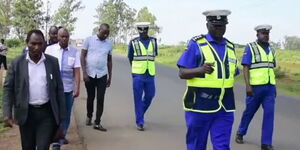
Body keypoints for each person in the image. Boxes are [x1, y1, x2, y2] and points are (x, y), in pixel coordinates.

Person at [177, 10, 238, 150]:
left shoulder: (230, 47)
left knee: (222, 146)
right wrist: (200, 70)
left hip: (225, 106)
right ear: (207, 25)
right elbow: (182, 72)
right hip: (199, 106)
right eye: (215, 25)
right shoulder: (196, 44)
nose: (219, 29)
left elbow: (232, 73)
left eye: (222, 26)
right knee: (197, 145)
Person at [2, 29, 66, 150]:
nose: (36, 47)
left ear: (44, 44)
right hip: (26, 114)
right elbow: (8, 89)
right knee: (28, 147)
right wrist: (7, 113)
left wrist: (62, 117)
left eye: (40, 44)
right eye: (33, 44)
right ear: (27, 43)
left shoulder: (52, 62)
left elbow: (59, 90)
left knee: (43, 147)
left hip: (46, 114)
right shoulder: (17, 63)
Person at [235, 25, 276, 150]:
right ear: (257, 34)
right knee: (249, 112)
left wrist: (273, 86)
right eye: (263, 33)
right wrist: (248, 86)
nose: (265, 35)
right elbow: (245, 67)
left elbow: (270, 68)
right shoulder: (251, 47)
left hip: (269, 88)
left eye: (267, 33)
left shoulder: (272, 50)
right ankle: (240, 132)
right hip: (255, 87)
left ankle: (266, 143)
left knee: (269, 114)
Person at [45, 27, 80, 149]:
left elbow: (76, 71)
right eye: (62, 36)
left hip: (67, 89)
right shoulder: (49, 50)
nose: (64, 39)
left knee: (65, 116)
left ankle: (58, 141)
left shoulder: (74, 51)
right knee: (52, 114)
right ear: (57, 37)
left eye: (66, 36)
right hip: (52, 90)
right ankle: (52, 137)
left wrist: (77, 87)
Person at [81, 23, 113, 131]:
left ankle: (97, 122)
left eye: (107, 33)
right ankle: (89, 116)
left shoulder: (109, 44)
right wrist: (84, 73)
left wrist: (110, 76)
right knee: (91, 97)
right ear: (99, 30)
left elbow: (109, 60)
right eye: (104, 32)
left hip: (102, 75)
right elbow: (82, 55)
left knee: (100, 98)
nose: (105, 35)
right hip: (89, 74)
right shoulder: (89, 40)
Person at [127, 22, 158, 131]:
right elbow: (130, 57)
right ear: (138, 30)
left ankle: (140, 113)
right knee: (138, 98)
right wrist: (135, 70)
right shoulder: (133, 42)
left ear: (147, 30)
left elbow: (154, 55)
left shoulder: (153, 41)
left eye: (145, 29)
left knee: (150, 95)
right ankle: (140, 121)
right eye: (140, 30)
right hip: (138, 74)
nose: (143, 32)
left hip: (150, 74)